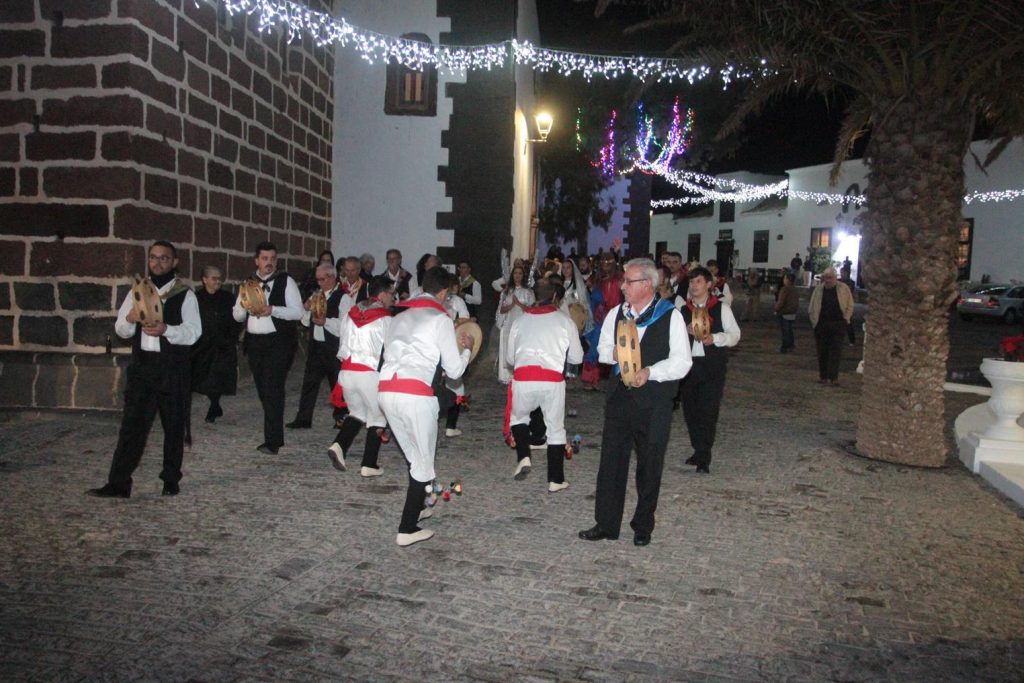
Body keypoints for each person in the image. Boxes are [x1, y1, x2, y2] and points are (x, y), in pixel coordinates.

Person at [578, 258, 692, 546]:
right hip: (620, 397)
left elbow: (682, 361)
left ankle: (643, 525)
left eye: (628, 281)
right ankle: (606, 523)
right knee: (611, 462)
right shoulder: (617, 313)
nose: (622, 286)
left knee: (649, 464)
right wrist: (615, 354)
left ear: (647, 285)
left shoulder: (671, 316)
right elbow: (603, 348)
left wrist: (651, 372)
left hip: (654, 402)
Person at [87, 241, 201, 498]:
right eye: (153, 258)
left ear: (174, 262)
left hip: (172, 369)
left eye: (164, 258)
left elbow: (194, 332)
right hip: (143, 368)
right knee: (132, 427)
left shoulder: (184, 294)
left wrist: (166, 330)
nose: (157, 262)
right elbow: (121, 330)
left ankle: (170, 479)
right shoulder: (137, 292)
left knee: (174, 426)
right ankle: (119, 483)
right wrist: (130, 318)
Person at [377, 266, 473, 547]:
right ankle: (407, 528)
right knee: (422, 463)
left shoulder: (398, 316)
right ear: (442, 293)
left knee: (413, 456)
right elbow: (454, 371)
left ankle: (419, 506)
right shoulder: (440, 319)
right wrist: (467, 347)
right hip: (416, 395)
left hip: (386, 390)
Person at [506, 279, 584, 489]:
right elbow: (577, 358)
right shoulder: (565, 321)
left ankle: (524, 456)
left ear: (534, 296)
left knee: (519, 418)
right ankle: (555, 480)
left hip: (524, 378)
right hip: (552, 380)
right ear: (555, 297)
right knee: (555, 429)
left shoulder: (519, 321)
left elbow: (510, 359)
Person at [233, 241, 303, 454]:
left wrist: (273, 309)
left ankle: (273, 441)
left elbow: (298, 312)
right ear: (257, 261)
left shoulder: (286, 281)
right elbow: (237, 316)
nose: (269, 262)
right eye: (264, 258)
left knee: (273, 389)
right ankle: (274, 435)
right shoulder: (247, 283)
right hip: (255, 343)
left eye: (272, 258)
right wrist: (244, 307)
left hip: (278, 343)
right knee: (264, 390)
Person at [329, 276, 394, 475]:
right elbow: (391, 350)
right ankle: (369, 464)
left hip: (347, 372)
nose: (393, 298)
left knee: (357, 412)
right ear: (382, 294)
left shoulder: (351, 313)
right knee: (378, 417)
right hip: (369, 373)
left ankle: (339, 446)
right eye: (391, 294)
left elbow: (342, 344)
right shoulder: (386, 318)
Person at [679, 266, 741, 474]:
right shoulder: (683, 310)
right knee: (690, 411)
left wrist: (715, 338)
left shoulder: (721, 308)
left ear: (708, 284)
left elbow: (735, 335)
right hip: (689, 367)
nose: (694, 286)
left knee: (708, 410)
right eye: (691, 282)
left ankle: (704, 455)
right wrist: (685, 331)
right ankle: (698, 448)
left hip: (712, 367)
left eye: (698, 281)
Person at [287, 263, 342, 430]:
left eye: (322, 279)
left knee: (337, 384)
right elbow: (305, 322)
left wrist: (326, 322)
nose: (319, 283)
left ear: (332, 277)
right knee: (309, 383)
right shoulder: (316, 295)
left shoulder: (343, 297)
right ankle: (304, 418)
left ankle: (341, 418)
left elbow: (345, 325)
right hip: (316, 346)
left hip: (333, 347)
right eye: (317, 279)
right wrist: (306, 309)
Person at [191, 265, 241, 423]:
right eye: (214, 278)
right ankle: (215, 404)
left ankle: (214, 406)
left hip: (223, 344)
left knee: (217, 377)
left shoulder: (227, 298)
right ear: (204, 280)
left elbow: (236, 319)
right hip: (203, 345)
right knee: (204, 378)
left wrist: (232, 337)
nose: (218, 281)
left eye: (219, 278)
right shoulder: (196, 298)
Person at [581, 252, 623, 389]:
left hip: (617, 317)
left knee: (617, 347)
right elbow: (592, 300)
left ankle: (616, 379)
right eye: (603, 261)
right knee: (595, 347)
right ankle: (590, 379)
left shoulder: (621, 279)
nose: (606, 264)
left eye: (608, 261)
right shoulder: (596, 279)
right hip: (600, 319)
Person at [809, 266, 854, 386]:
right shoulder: (818, 290)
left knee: (836, 352)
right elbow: (812, 306)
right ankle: (823, 376)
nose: (828, 280)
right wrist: (814, 321)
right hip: (821, 325)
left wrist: (846, 319)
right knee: (822, 351)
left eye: (830, 278)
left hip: (838, 324)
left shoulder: (843, 288)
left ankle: (833, 377)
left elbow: (850, 304)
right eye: (826, 278)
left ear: (835, 278)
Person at [495, 264, 535, 384]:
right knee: (508, 347)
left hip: (523, 324)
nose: (517, 276)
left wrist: (518, 303)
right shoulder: (506, 291)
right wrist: (511, 305)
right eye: (515, 273)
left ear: (523, 276)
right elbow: (501, 310)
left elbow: (532, 310)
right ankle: (507, 375)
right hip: (508, 323)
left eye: (520, 273)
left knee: (521, 348)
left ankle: (521, 373)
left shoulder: (528, 292)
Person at [442, 275, 471, 437]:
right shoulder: (456, 301)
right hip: (449, 344)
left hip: (436, 345)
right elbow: (465, 319)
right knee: (456, 384)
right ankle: (450, 426)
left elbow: (464, 319)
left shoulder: (453, 301)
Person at [774, 271, 799, 353]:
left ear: (788, 280)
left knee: (785, 331)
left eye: (785, 278)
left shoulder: (785, 289)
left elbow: (781, 302)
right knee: (789, 330)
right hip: (792, 312)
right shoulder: (794, 289)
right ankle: (791, 345)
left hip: (785, 312)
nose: (783, 280)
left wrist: (776, 308)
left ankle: (785, 347)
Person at [838, 266, 857, 344]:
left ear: (847, 273)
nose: (842, 274)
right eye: (841, 272)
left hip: (847, 304)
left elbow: (851, 293)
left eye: (843, 272)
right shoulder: (838, 281)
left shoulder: (851, 283)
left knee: (848, 322)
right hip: (839, 303)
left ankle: (852, 340)